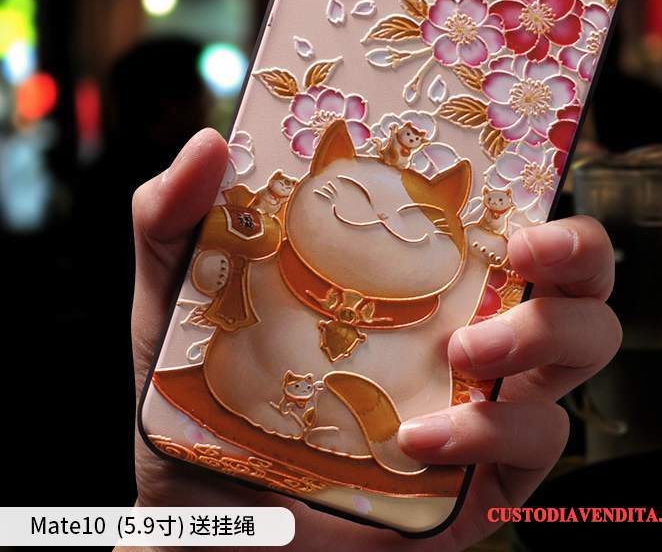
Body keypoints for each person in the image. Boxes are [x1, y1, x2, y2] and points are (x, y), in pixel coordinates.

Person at [120, 128, 621, 551]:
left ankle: (374, 436)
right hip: (233, 397)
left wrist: (481, 264)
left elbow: (466, 299)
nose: (384, 217)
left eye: (415, 216)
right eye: (356, 194)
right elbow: (241, 275)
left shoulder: (438, 301)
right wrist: (172, 538)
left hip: (395, 443)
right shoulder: (279, 259)